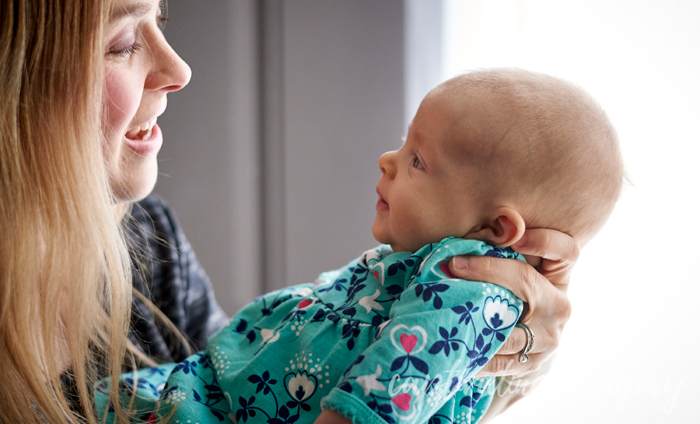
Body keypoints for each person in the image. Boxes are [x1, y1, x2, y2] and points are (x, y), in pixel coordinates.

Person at [0, 0, 580, 423]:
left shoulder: (151, 241)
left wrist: (496, 377)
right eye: (124, 39)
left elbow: (252, 391)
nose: (179, 68)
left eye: (162, 16)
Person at [96, 68, 622, 424]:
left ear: (497, 230)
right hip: (212, 391)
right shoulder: (427, 270)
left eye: (418, 160)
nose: (386, 161)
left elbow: (385, 397)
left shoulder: (468, 290)